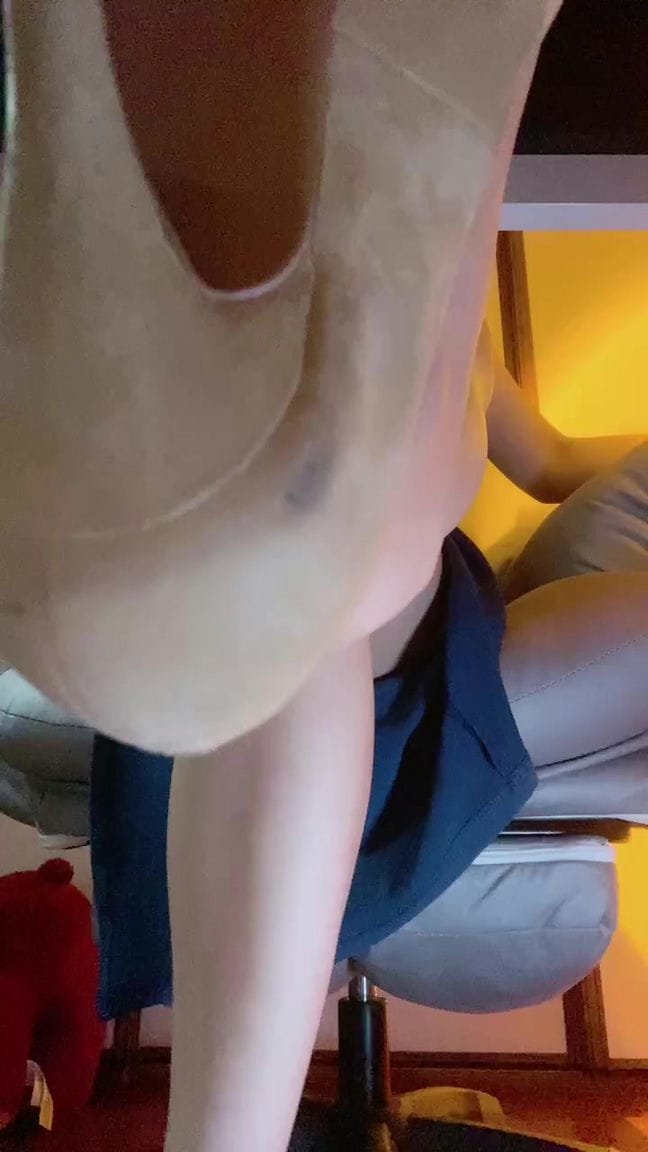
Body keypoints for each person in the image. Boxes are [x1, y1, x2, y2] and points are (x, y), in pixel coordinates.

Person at [2, 4, 647, 1152]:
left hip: (399, 604)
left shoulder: (422, 296)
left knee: (296, 567)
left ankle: (264, 513)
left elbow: (548, 461)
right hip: (349, 601)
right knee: (295, 577)